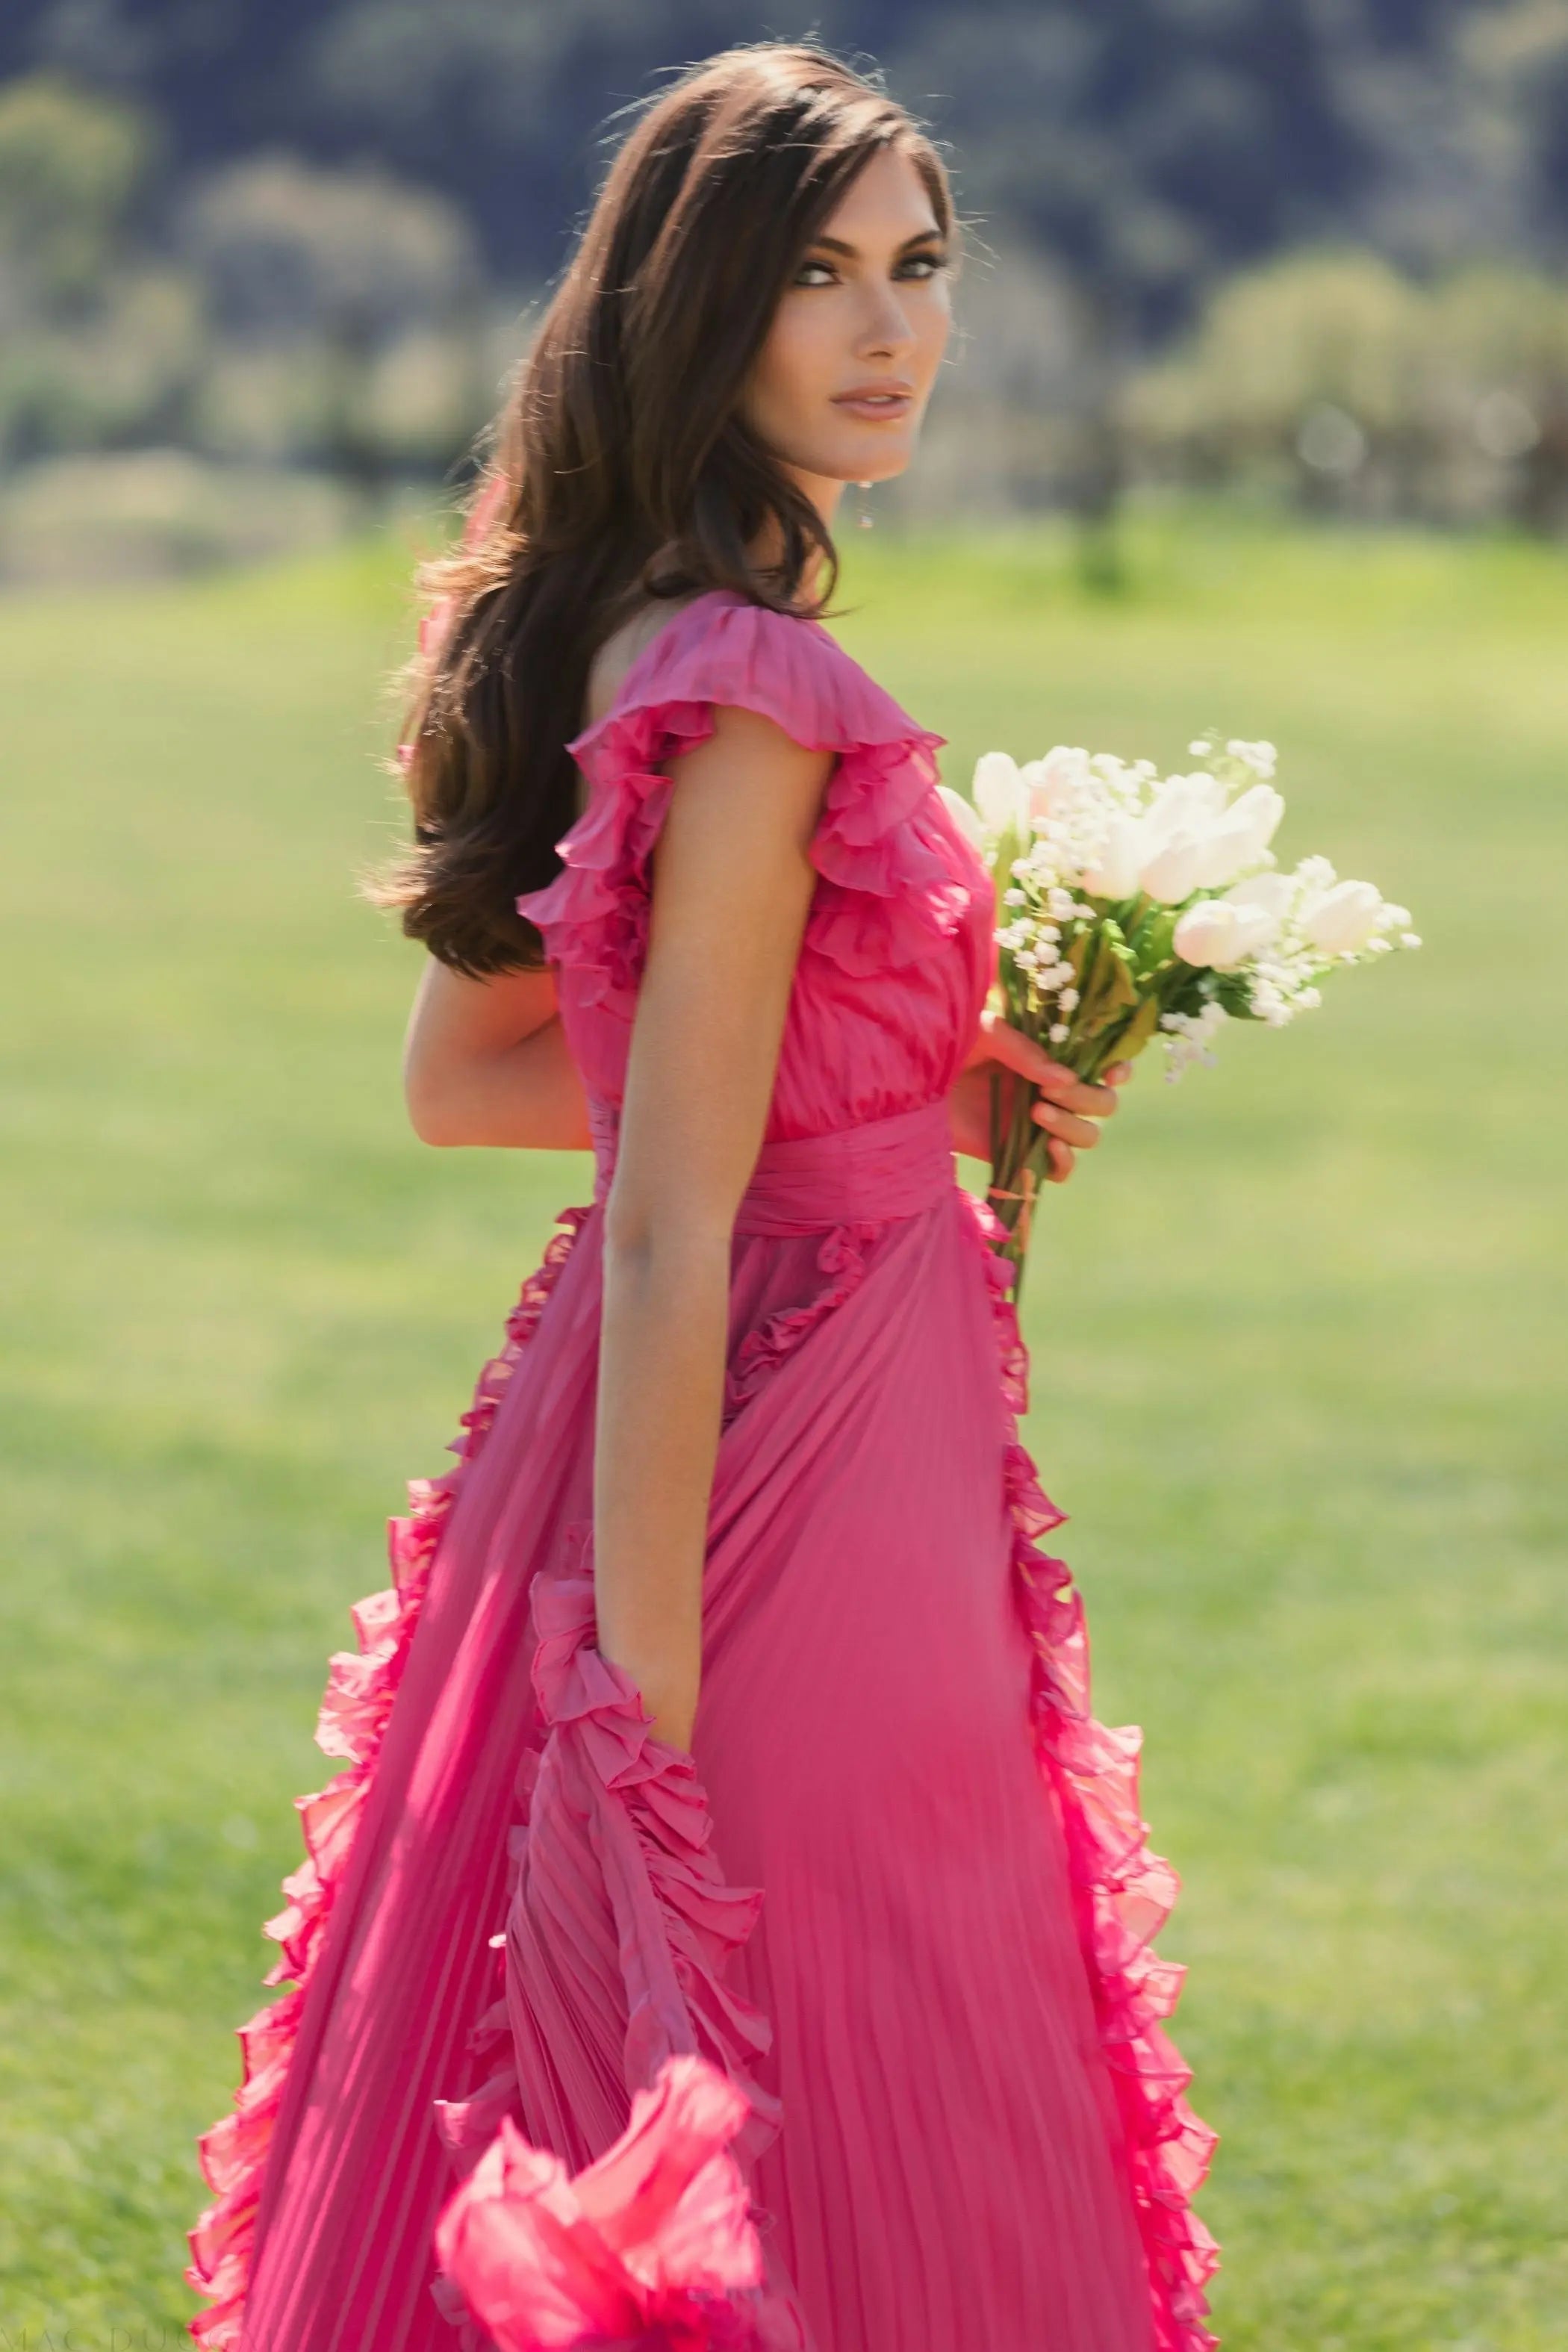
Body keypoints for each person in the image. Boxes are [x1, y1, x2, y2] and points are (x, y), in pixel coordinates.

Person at [186, 41, 1218, 2352]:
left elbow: (486, 1086)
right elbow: (664, 1219)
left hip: (706, 1401)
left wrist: (891, 1088)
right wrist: (629, 1736)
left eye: (919, 267)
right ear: (697, 303)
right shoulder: (754, 685)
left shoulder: (602, 617)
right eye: (813, 272)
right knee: (831, 2018)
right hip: (787, 1453)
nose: (889, 331)